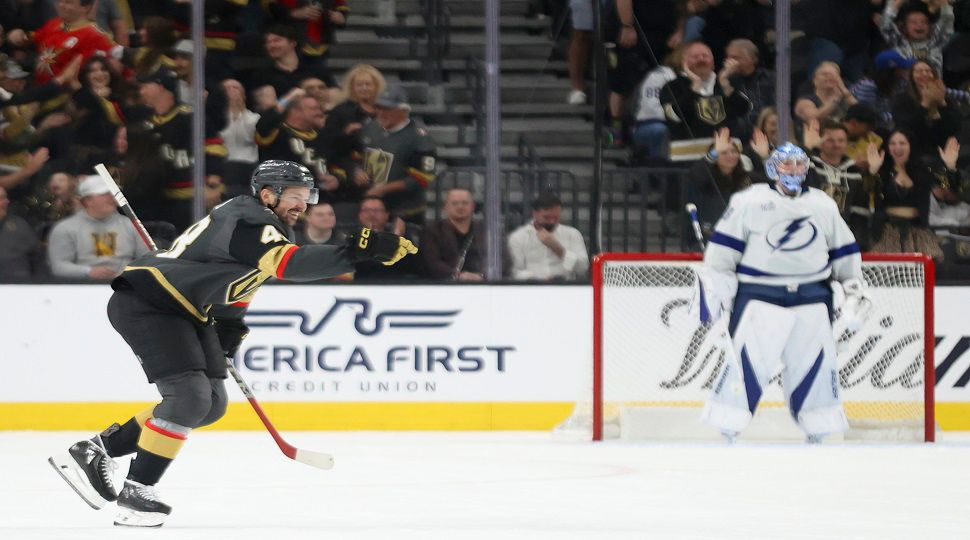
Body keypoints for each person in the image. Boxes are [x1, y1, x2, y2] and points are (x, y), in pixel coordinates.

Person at [47, 161, 416, 527]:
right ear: (268, 194)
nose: (303, 205)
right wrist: (356, 251)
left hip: (183, 308)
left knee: (210, 405)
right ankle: (137, 492)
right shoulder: (248, 220)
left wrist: (229, 325)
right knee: (189, 399)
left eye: (307, 197)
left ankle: (96, 450)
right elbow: (289, 266)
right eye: (295, 196)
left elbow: (241, 284)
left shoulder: (264, 224)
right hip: (150, 302)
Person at [697, 143, 866, 444]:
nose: (793, 170)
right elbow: (723, 250)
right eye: (786, 164)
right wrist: (717, 282)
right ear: (772, 168)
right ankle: (729, 425)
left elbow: (844, 250)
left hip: (812, 294)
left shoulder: (823, 204)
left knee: (815, 363)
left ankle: (818, 427)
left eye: (799, 164)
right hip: (760, 293)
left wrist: (852, 287)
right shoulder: (749, 201)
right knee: (747, 362)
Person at [358, 85, 437, 225]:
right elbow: (356, 155)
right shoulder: (370, 129)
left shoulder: (420, 138)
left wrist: (384, 188)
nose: (381, 113)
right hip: (373, 208)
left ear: (404, 111)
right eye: (379, 108)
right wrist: (357, 171)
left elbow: (424, 177)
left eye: (387, 109)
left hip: (406, 210)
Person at [46, 175, 150, 281]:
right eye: (105, 194)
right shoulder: (65, 228)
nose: (112, 197)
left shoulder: (130, 225)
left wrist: (129, 274)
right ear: (87, 200)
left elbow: (149, 259)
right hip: (82, 286)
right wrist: (88, 271)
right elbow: (58, 266)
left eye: (112, 193)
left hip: (125, 285)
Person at [508, 193, 589, 281]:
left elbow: (583, 268)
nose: (551, 222)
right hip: (532, 286)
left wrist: (558, 249)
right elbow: (516, 272)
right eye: (546, 217)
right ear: (535, 214)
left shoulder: (572, 234)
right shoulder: (518, 237)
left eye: (556, 218)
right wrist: (539, 280)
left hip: (564, 286)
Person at [420, 188, 492, 281]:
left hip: (483, 284)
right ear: (445, 207)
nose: (460, 206)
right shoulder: (432, 231)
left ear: (473, 206)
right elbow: (431, 263)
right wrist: (458, 276)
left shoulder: (486, 231)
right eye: (454, 203)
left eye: (465, 203)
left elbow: (502, 260)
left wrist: (481, 276)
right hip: (445, 285)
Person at [0, 185, 44, 281]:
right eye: (2, 198)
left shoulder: (20, 226)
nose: (7, 201)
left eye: (6, 197)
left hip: (19, 284)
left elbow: (37, 257)